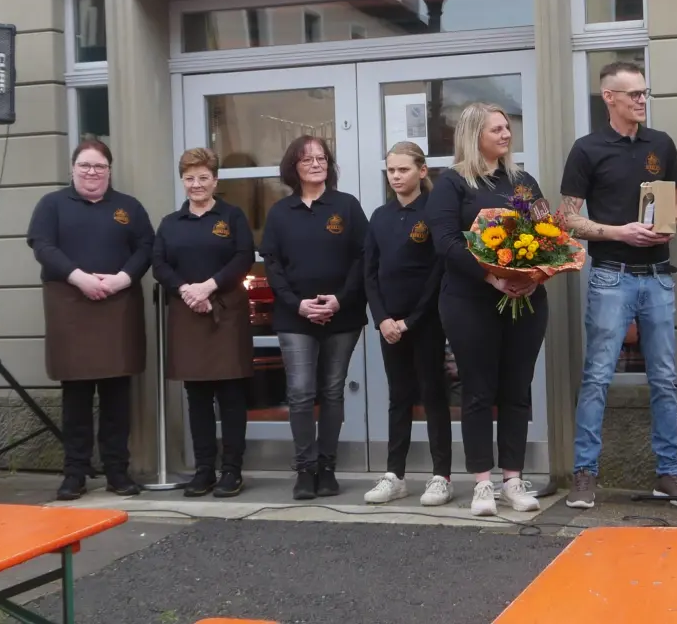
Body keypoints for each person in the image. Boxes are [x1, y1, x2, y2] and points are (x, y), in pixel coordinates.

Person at [558, 61, 677, 510]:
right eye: (632, 93)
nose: (641, 100)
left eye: (644, 92)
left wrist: (668, 225)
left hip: (658, 275)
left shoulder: (662, 144)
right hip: (610, 275)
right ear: (609, 98)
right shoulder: (587, 149)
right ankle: (585, 475)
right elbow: (566, 218)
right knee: (598, 376)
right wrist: (621, 231)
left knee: (664, 378)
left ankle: (669, 475)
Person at [426, 102, 546, 517]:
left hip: (526, 300)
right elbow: (445, 242)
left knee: (517, 389)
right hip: (470, 300)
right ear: (474, 134)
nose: (506, 134)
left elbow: (549, 236)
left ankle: (513, 479)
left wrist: (534, 275)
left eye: (507, 128)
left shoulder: (523, 181)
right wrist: (492, 277)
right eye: (496, 129)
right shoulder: (452, 184)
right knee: (477, 390)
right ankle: (482, 483)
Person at [27, 139, 154, 501]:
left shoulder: (128, 207)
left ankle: (117, 471)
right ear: (72, 169)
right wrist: (78, 276)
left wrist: (122, 279)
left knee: (117, 397)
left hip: (119, 306)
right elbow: (42, 246)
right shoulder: (51, 205)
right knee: (77, 398)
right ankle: (75, 473)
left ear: (109, 171)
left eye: (99, 166)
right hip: (72, 306)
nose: (92, 172)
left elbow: (147, 247)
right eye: (85, 165)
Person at [260, 135, 368, 501]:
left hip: (343, 314)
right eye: (308, 159)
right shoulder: (279, 213)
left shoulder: (347, 206)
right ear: (294, 167)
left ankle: (327, 468)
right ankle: (305, 471)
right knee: (301, 393)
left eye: (322, 158)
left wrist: (338, 300)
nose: (316, 164)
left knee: (333, 391)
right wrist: (298, 304)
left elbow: (363, 259)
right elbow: (272, 265)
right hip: (295, 318)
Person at [152, 148, 256, 499]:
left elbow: (244, 256)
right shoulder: (170, 223)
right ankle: (203, 470)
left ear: (215, 180)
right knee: (196, 397)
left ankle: (232, 471)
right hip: (187, 314)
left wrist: (208, 286)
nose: (196, 184)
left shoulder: (233, 216)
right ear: (182, 181)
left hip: (226, 313)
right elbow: (159, 264)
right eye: (189, 178)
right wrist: (186, 290)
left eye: (203, 178)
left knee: (230, 396)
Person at [362, 142, 454, 507]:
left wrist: (411, 320)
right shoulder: (380, 217)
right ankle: (394, 475)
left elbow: (437, 271)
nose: (396, 176)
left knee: (434, 396)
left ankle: (441, 476)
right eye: (391, 171)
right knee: (398, 397)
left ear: (421, 171)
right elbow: (369, 272)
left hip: (426, 321)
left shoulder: (434, 213)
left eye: (403, 169)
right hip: (389, 325)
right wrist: (383, 319)